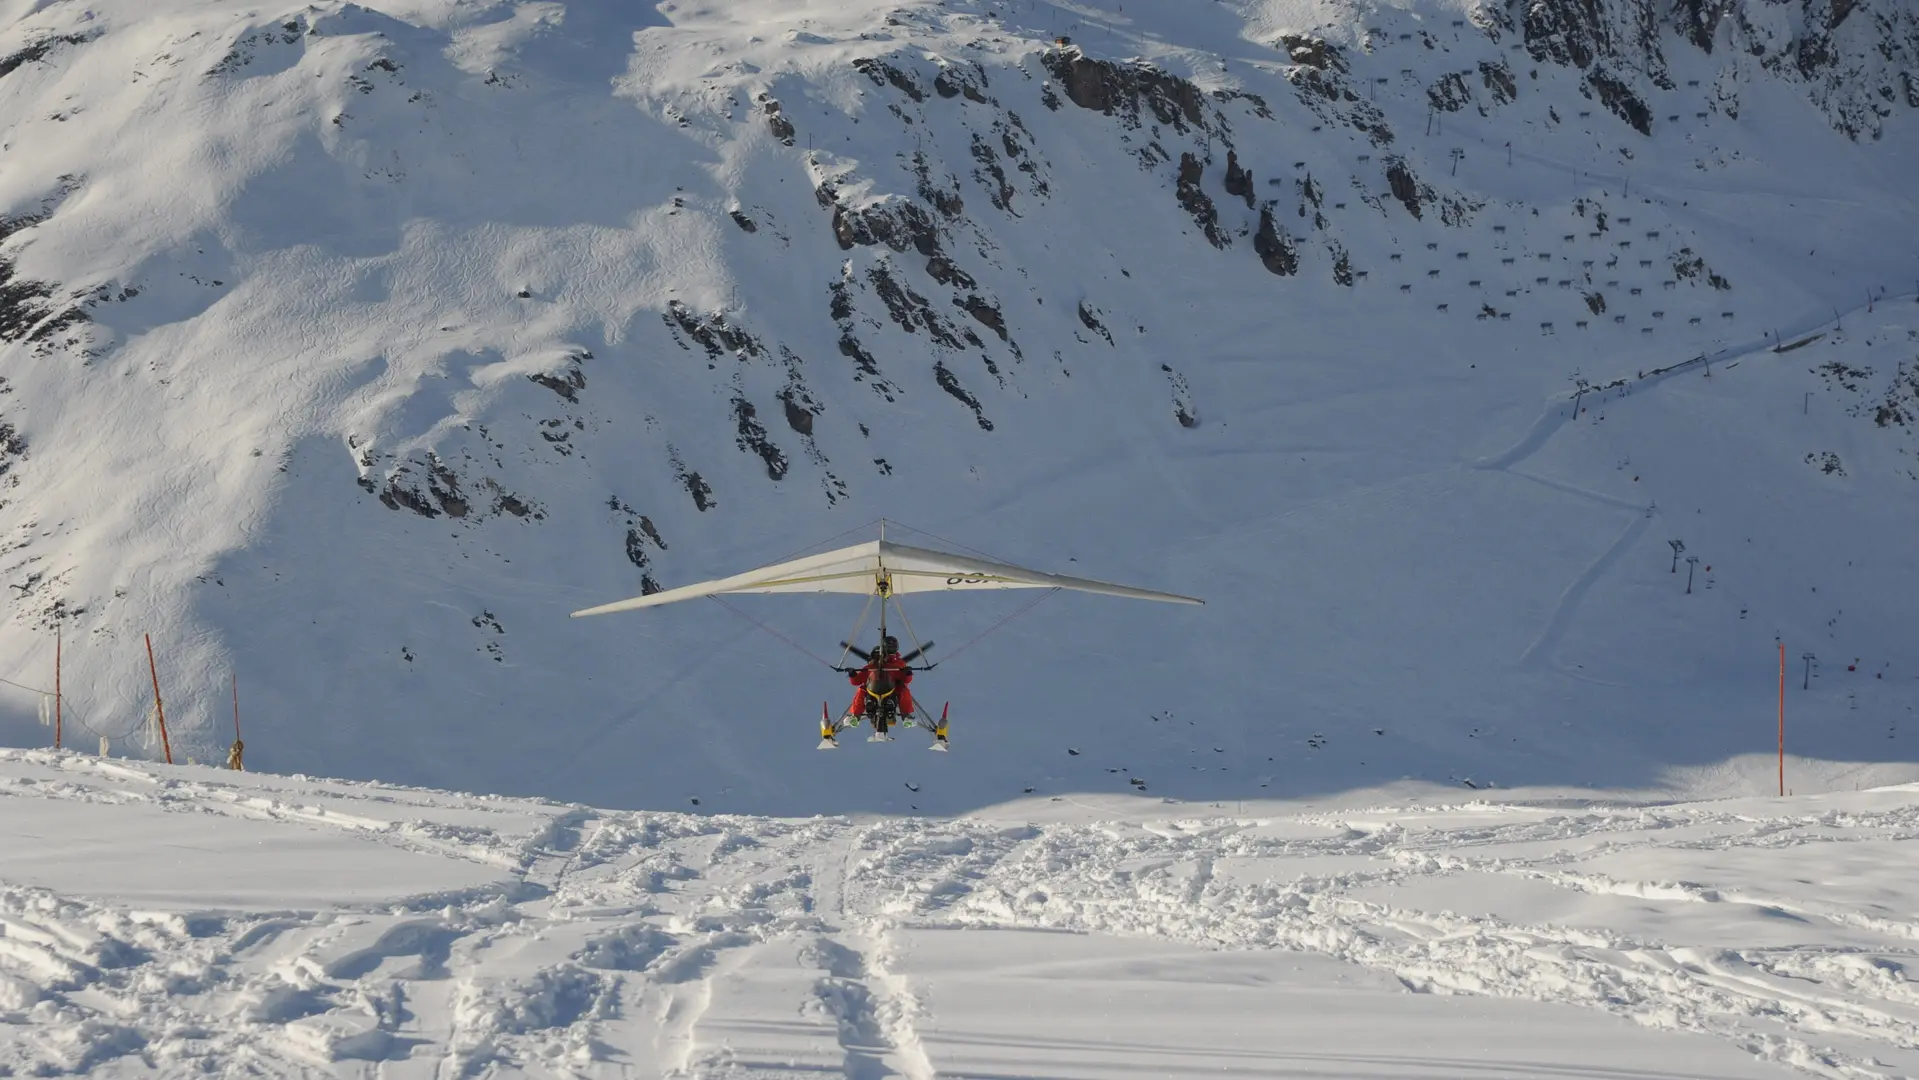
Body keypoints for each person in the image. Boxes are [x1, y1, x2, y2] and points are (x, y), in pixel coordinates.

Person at [848, 636, 914, 721]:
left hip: (891, 689)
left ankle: (906, 716)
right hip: (872, 689)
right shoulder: (871, 667)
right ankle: (856, 716)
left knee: (904, 690)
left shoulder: (898, 664)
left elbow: (905, 679)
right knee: (861, 690)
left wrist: (907, 673)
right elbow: (857, 680)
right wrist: (852, 674)